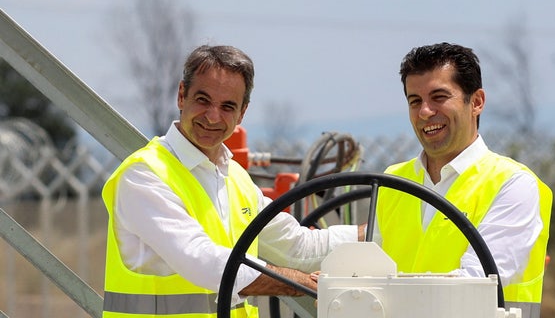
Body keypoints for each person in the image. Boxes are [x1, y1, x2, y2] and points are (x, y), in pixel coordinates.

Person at [101, 45, 362, 318]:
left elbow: (298, 246)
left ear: (242, 113)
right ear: (181, 95)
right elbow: (203, 261)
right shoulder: (144, 176)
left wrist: (375, 232)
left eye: (227, 106)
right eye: (203, 100)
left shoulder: (235, 178)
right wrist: (302, 282)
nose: (213, 116)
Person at [373, 42, 552, 318]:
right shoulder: (392, 180)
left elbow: (474, 286)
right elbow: (368, 265)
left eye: (439, 97)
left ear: (477, 102)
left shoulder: (513, 185)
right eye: (415, 101)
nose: (425, 112)